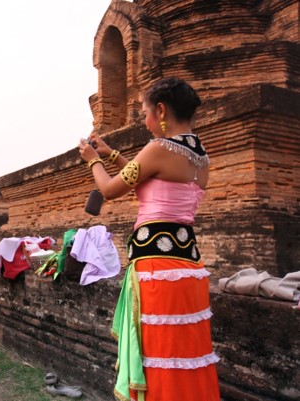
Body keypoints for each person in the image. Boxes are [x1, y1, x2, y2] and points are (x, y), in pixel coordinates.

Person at [78, 78, 220, 401]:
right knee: (185, 357)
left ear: (161, 110)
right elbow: (148, 179)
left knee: (159, 357)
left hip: (157, 268)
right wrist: (111, 154)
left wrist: (92, 160)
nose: (145, 121)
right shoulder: (200, 157)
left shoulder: (159, 148)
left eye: (145, 113)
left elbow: (110, 189)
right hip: (188, 266)